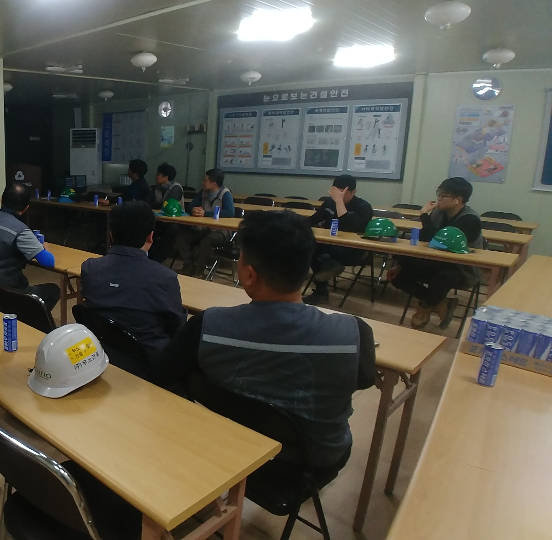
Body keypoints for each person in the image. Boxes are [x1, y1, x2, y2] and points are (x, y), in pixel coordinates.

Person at [149, 210, 376, 471]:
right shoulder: (354, 334)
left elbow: (159, 375)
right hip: (315, 462)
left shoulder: (206, 327)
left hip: (227, 452)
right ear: (305, 270)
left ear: (249, 275)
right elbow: (363, 379)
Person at [80, 201, 186, 364]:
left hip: (101, 352)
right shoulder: (165, 278)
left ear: (111, 235)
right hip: (150, 362)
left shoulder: (89, 268)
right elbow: (178, 329)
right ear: (150, 237)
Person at [388, 177, 484, 329]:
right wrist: (400, 264)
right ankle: (442, 302)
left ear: (457, 200)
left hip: (462, 268)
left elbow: (443, 241)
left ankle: (425, 307)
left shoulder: (470, 220)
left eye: (443, 195)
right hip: (436, 261)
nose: (438, 198)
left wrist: (424, 216)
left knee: (441, 279)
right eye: (438, 193)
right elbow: (424, 239)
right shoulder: (438, 213)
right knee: (397, 276)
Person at [0, 183, 60, 309]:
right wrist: (43, 248)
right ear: (26, 208)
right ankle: (27, 318)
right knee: (54, 290)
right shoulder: (20, 230)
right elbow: (49, 261)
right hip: (8, 294)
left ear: (1, 200)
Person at [303, 174, 375, 305]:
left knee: (318, 252)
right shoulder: (329, 203)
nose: (338, 196)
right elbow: (313, 220)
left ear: (354, 192)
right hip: (329, 247)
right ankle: (322, 288)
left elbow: (349, 227)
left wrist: (339, 203)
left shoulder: (363, 207)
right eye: (336, 191)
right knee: (309, 245)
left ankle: (326, 271)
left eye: (343, 192)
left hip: (354, 250)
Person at [174, 168, 235, 277]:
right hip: (202, 228)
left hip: (220, 231)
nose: (202, 182)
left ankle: (200, 268)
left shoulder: (225, 194)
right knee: (181, 237)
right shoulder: (203, 192)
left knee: (206, 241)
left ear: (214, 184)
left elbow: (230, 212)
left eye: (205, 180)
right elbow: (190, 206)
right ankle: (188, 264)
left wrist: (205, 214)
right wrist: (193, 210)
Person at [147, 163, 184, 262]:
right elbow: (147, 201)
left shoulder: (176, 188)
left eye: (158, 174)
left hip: (175, 221)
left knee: (171, 230)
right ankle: (147, 255)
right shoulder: (156, 188)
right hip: (161, 219)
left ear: (165, 177)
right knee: (147, 225)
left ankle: (158, 258)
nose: (156, 176)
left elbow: (167, 204)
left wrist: (153, 204)